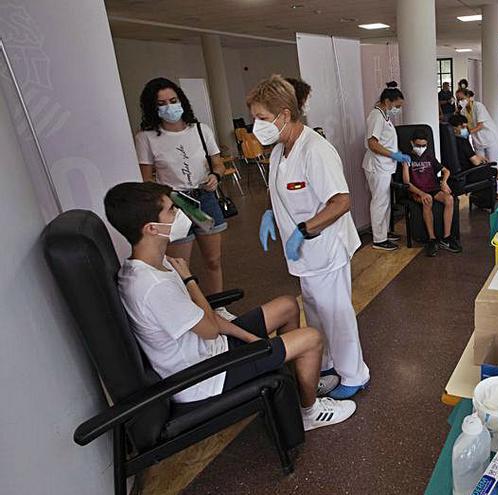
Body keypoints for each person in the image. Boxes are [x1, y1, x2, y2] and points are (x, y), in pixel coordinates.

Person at [103, 182, 355, 430]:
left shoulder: (155, 263)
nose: (180, 214)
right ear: (151, 228)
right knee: (311, 338)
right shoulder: (152, 285)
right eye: (171, 210)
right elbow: (210, 328)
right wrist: (190, 281)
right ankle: (309, 412)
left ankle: (298, 385)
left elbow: (203, 316)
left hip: (211, 349)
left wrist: (250, 338)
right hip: (205, 376)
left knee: (287, 306)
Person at [249, 75, 369, 400]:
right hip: (303, 255)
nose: (255, 125)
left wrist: (303, 231)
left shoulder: (315, 150)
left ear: (284, 115)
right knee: (315, 312)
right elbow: (280, 191)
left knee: (336, 313)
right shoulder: (278, 152)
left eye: (261, 118)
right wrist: (270, 214)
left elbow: (342, 201)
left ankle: (354, 373)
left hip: (326, 249)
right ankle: (327, 364)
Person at [134, 77, 233, 320]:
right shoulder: (146, 137)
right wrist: (164, 198)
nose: (169, 107)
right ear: (153, 107)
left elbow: (218, 163)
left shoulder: (200, 129)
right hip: (174, 204)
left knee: (213, 259)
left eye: (173, 100)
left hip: (205, 198)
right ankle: (188, 311)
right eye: (162, 103)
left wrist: (215, 176)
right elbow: (145, 180)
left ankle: (218, 308)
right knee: (180, 265)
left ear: (181, 101)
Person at [362, 82, 408, 252]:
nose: (398, 109)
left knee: (385, 201)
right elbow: (372, 143)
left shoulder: (384, 115)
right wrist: (393, 155)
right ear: (387, 101)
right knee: (379, 202)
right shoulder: (376, 116)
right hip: (377, 166)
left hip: (385, 166)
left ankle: (385, 232)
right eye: (397, 105)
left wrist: (396, 151)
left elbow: (385, 141)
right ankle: (379, 239)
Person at [403, 129, 461, 257]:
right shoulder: (407, 158)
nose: (421, 148)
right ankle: (432, 239)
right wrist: (421, 194)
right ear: (412, 143)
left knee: (449, 199)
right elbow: (407, 182)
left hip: (433, 188)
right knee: (427, 199)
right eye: (418, 145)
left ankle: (446, 238)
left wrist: (444, 182)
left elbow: (446, 171)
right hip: (417, 191)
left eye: (424, 145)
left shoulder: (429, 156)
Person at [448, 114, 498, 210]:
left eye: (466, 127)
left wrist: (478, 157)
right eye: (462, 127)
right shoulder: (462, 141)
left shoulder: (449, 142)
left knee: (487, 168)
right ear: (454, 129)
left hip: (456, 176)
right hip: (468, 174)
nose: (465, 130)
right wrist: (481, 159)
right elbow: (476, 162)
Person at [456, 89, 498, 160]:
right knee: (480, 165)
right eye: (458, 100)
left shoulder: (478, 106)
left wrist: (466, 133)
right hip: (477, 140)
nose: (460, 102)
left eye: (462, 99)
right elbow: (465, 126)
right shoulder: (463, 111)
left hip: (488, 138)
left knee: (492, 165)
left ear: (468, 96)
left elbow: (480, 126)